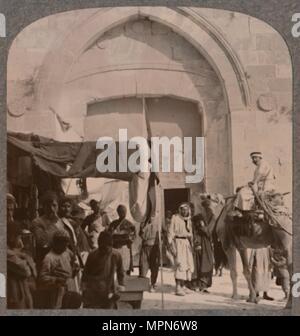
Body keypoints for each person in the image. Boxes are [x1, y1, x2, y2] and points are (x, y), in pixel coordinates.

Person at [31, 192, 75, 269]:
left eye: (54, 205)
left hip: (63, 260)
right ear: (43, 207)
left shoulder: (62, 221)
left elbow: (68, 241)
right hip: (46, 261)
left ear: (58, 206)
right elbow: (43, 242)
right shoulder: (37, 222)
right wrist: (53, 224)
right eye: (48, 206)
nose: (51, 209)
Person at [37, 229, 80, 309]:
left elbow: (73, 261)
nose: (66, 246)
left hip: (70, 286)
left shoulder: (66, 251)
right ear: (57, 243)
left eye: (67, 243)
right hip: (57, 291)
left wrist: (75, 268)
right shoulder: (49, 258)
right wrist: (56, 279)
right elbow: (42, 277)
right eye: (63, 243)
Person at [82, 231, 125, 309]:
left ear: (111, 246)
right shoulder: (92, 255)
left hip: (109, 289)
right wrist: (84, 288)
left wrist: (121, 284)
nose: (104, 251)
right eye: (102, 248)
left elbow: (120, 272)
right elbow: (85, 273)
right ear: (99, 245)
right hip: (94, 290)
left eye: (107, 248)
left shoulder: (116, 255)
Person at [7, 223, 37, 309]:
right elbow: (26, 271)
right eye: (19, 237)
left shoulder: (14, 252)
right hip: (13, 289)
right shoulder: (8, 253)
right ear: (11, 237)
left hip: (21, 288)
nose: (21, 241)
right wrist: (27, 259)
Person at [167, 203, 194, 296]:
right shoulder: (175, 218)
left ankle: (183, 286)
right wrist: (171, 245)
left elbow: (190, 233)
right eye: (182, 209)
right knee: (180, 264)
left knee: (187, 264)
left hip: (186, 243)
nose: (184, 211)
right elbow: (170, 232)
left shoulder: (188, 220)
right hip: (178, 243)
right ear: (180, 209)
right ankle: (178, 287)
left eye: (186, 209)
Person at [191, 199, 214, 292]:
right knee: (199, 263)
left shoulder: (213, 217)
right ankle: (196, 284)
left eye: (209, 207)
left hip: (208, 244)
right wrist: (197, 242)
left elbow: (210, 232)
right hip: (200, 243)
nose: (208, 209)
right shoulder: (198, 218)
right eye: (205, 207)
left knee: (207, 263)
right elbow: (195, 231)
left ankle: (204, 285)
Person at [108, 205, 136, 275]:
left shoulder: (130, 224)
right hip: (114, 248)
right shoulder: (113, 224)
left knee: (124, 270)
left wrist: (119, 235)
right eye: (120, 212)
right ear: (118, 212)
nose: (122, 213)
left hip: (124, 248)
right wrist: (121, 235)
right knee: (114, 269)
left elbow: (132, 237)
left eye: (123, 211)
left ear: (126, 212)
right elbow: (109, 235)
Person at [139, 217, 160, 292]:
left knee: (154, 266)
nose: (152, 217)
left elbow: (163, 233)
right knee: (143, 265)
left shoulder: (159, 223)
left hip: (154, 246)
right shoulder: (144, 223)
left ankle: (153, 284)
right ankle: (142, 283)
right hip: (145, 246)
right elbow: (141, 234)